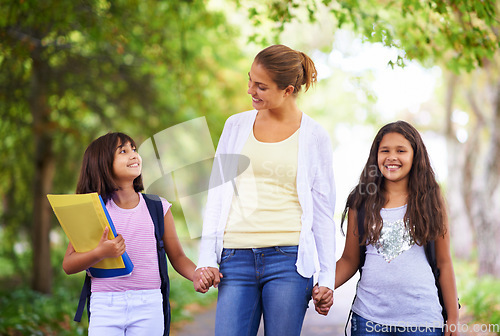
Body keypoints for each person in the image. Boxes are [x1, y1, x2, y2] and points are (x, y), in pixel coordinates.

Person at [192, 44, 336, 336]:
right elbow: (217, 195)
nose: (250, 91)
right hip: (235, 258)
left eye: (261, 86)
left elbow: (323, 211)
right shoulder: (236, 126)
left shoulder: (314, 136)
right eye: (250, 81)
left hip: (289, 261)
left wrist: (327, 278)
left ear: (287, 90)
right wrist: (206, 258)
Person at [62, 132, 213, 336]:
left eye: (134, 149)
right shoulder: (92, 211)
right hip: (105, 304)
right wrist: (100, 252)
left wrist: (196, 275)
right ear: (102, 164)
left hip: (149, 304)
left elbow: (177, 256)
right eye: (123, 151)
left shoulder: (158, 207)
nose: (134, 155)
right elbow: (69, 264)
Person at [319, 121, 459, 335]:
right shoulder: (362, 200)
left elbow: (444, 262)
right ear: (376, 155)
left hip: (422, 320)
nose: (392, 157)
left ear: (415, 155)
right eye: (385, 150)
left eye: (401, 150)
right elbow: (350, 259)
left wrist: (453, 318)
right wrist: (325, 286)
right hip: (368, 320)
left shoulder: (431, 199)